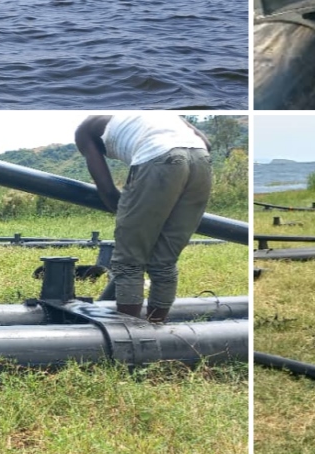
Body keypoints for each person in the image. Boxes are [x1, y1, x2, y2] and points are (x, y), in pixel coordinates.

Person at [75, 114, 213, 321]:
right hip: (201, 160)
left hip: (157, 157)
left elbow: (107, 189)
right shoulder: (154, 115)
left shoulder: (84, 131)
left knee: (129, 260)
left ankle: (131, 334)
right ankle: (156, 328)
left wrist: (132, 218)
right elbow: (207, 142)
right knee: (164, 261)